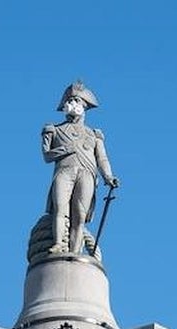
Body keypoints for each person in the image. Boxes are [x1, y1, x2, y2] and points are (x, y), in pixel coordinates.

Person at [42, 81, 120, 255]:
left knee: (79, 215)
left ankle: (75, 251)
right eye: (69, 100)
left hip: (87, 174)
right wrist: (66, 149)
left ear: (83, 106)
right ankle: (57, 244)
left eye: (76, 100)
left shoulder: (94, 134)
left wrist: (109, 177)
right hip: (64, 171)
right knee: (60, 208)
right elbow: (47, 156)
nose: (72, 103)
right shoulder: (53, 130)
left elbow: (102, 158)